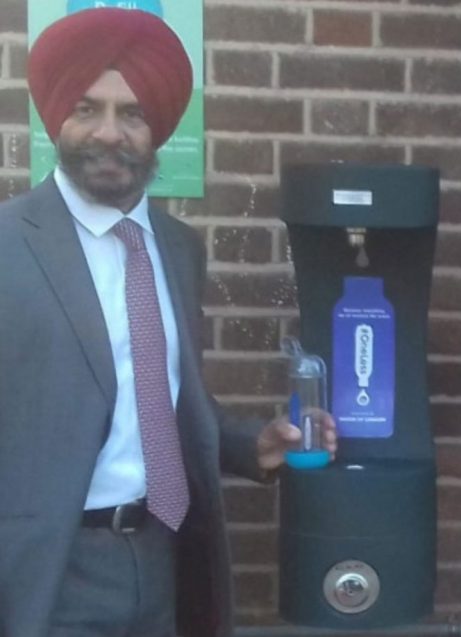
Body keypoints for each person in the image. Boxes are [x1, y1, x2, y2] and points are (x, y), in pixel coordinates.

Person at [0, 8, 336, 637]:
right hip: (44, 574)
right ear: (56, 118)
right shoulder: (8, 244)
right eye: (87, 109)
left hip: (166, 562)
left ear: (157, 129)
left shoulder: (178, 248)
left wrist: (251, 446)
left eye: (132, 113)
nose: (109, 133)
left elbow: (161, 398)